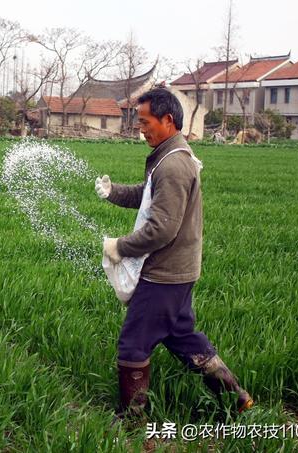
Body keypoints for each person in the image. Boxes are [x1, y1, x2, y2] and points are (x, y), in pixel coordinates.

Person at [95, 88, 253, 418]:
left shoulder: (174, 165)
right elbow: (148, 195)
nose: (140, 128)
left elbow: (162, 229)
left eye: (145, 121)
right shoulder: (169, 156)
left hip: (164, 275)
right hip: (179, 273)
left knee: (133, 345)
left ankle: (132, 421)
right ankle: (237, 398)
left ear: (167, 120)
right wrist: (114, 193)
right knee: (181, 336)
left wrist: (120, 247)